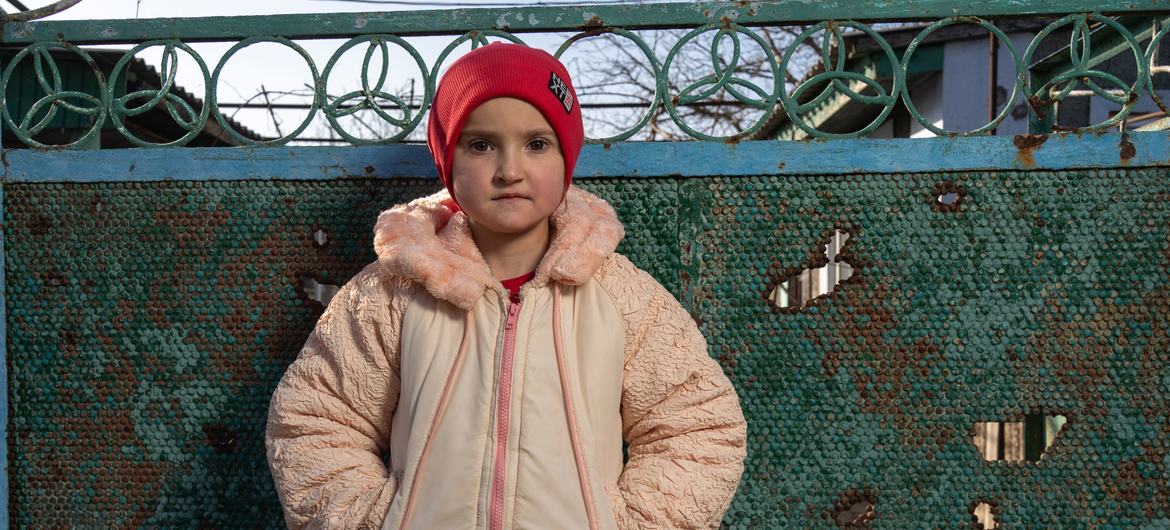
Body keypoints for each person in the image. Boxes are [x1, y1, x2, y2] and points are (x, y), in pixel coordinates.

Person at [265, 42, 747, 530]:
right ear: (448, 161)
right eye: (481, 144)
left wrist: (627, 522)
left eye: (537, 144)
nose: (510, 170)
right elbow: (316, 422)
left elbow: (699, 426)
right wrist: (377, 521)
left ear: (566, 159)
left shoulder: (624, 297)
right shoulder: (391, 293)